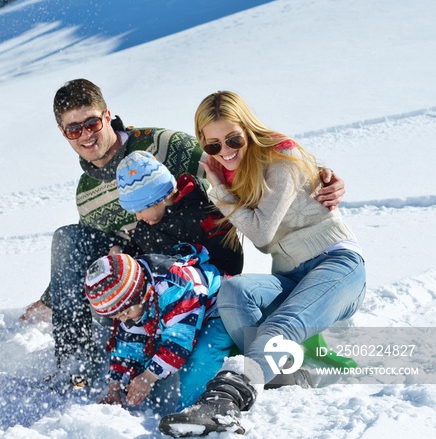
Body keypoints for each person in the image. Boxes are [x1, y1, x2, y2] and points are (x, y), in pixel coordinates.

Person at [20, 79, 346, 387]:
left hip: (198, 266)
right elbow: (80, 255)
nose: (85, 135)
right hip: (143, 272)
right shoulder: (86, 192)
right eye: (73, 129)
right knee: (71, 239)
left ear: (107, 116)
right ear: (63, 133)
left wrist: (313, 175)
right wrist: (51, 298)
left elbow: (232, 154)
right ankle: (76, 368)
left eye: (91, 123)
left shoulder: (163, 145)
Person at [158, 91, 366, 437]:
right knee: (235, 291)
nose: (224, 152)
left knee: (283, 324)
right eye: (212, 146)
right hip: (290, 275)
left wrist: (219, 190)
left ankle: (224, 400)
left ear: (248, 130)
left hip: (338, 264)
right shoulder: (232, 172)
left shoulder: (280, 157)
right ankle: (285, 377)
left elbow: (260, 231)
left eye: (233, 139)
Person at [84, 250, 233, 410]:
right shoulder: (134, 294)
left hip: (221, 307)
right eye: (117, 317)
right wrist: (114, 388)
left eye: (125, 313)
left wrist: (149, 376)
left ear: (142, 294)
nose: (123, 319)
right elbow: (128, 343)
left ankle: (194, 410)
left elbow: (180, 341)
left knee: (202, 355)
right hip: (181, 314)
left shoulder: (174, 287)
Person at [112, 150, 243, 276]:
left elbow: (229, 258)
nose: (138, 217)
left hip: (205, 288)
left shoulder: (199, 214)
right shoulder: (145, 227)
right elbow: (137, 248)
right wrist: (121, 253)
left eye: (140, 210)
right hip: (167, 291)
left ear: (159, 199)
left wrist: (198, 277)